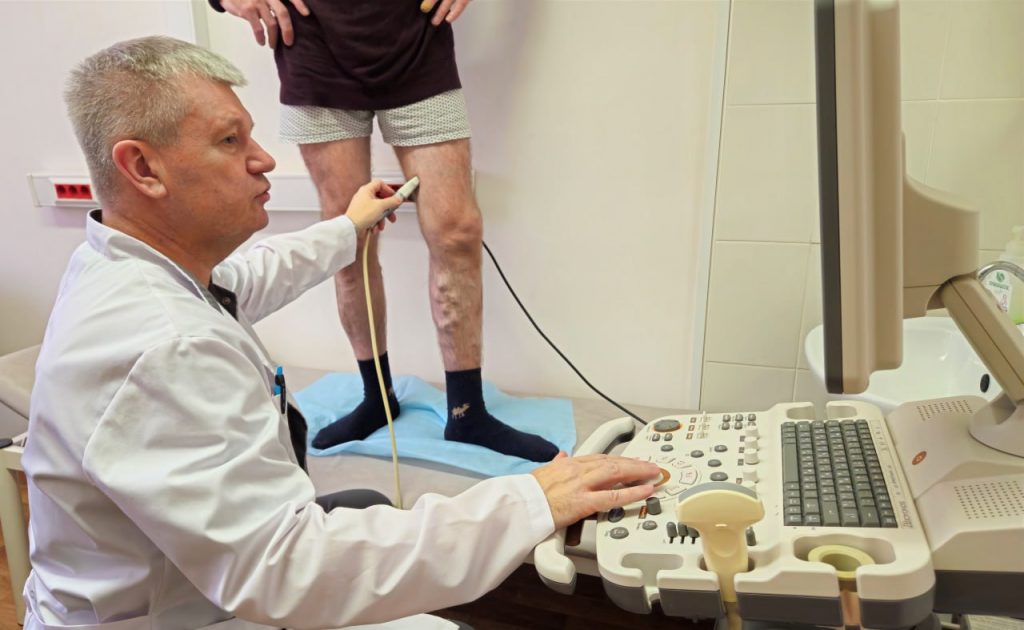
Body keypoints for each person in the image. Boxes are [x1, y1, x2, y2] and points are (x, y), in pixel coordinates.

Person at [22, 36, 660, 630]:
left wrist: (350, 227)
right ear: (143, 167)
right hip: (194, 613)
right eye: (230, 140)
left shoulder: (130, 266)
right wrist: (530, 501)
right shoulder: (162, 345)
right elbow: (286, 569)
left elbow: (254, 276)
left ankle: (467, 413)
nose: (263, 158)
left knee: (456, 230)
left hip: (201, 587)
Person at [207, 0, 561, 462]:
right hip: (312, 46)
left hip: (417, 40)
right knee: (348, 237)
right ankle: (377, 397)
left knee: (457, 231)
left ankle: (467, 411)